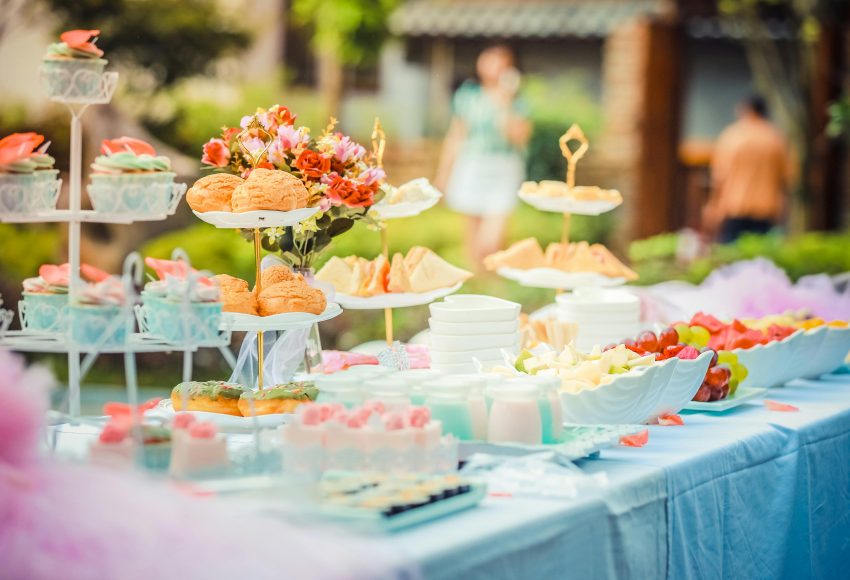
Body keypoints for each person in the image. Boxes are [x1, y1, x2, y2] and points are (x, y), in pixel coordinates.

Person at [435, 45, 532, 267]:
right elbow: (455, 136)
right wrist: (443, 174)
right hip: (472, 165)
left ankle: (494, 279)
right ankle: (481, 285)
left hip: (503, 167)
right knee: (472, 236)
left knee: (492, 240)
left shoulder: (517, 102)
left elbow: (518, 137)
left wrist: (505, 102)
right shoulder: (468, 96)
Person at [704, 95, 794, 243]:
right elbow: (787, 177)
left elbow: (719, 176)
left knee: (731, 257)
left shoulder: (732, 136)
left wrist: (713, 206)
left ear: (747, 110)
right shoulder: (776, 138)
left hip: (735, 206)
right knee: (762, 258)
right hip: (767, 208)